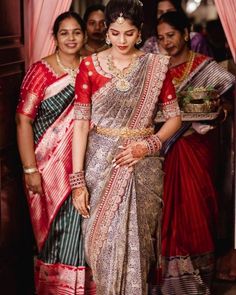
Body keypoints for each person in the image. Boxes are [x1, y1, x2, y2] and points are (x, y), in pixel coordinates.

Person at [71, 0, 181, 294]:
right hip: (100, 166)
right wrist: (78, 181)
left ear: (140, 33)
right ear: (107, 31)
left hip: (142, 165)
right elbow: (81, 124)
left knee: (139, 248)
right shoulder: (89, 67)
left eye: (129, 34)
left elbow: (174, 118)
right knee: (101, 246)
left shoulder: (155, 66)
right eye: (116, 33)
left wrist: (147, 145)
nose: (122, 40)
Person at [16, 12, 95, 295]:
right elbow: (23, 120)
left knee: (81, 230)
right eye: (64, 33)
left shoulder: (91, 67)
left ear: (84, 36)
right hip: (47, 168)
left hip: (82, 165)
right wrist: (30, 170)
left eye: (76, 32)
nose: (71, 38)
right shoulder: (41, 71)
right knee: (54, 233)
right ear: (55, 37)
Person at [156, 11, 235, 295]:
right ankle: (169, 283)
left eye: (172, 35)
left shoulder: (205, 67)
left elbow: (226, 105)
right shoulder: (154, 70)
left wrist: (217, 112)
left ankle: (199, 279)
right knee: (165, 214)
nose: (167, 42)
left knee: (199, 208)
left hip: (197, 149)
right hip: (164, 150)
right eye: (161, 37)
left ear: (186, 33)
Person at [142, 0, 213, 57]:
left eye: (170, 35)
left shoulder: (196, 40)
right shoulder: (150, 44)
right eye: (160, 12)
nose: (165, 15)